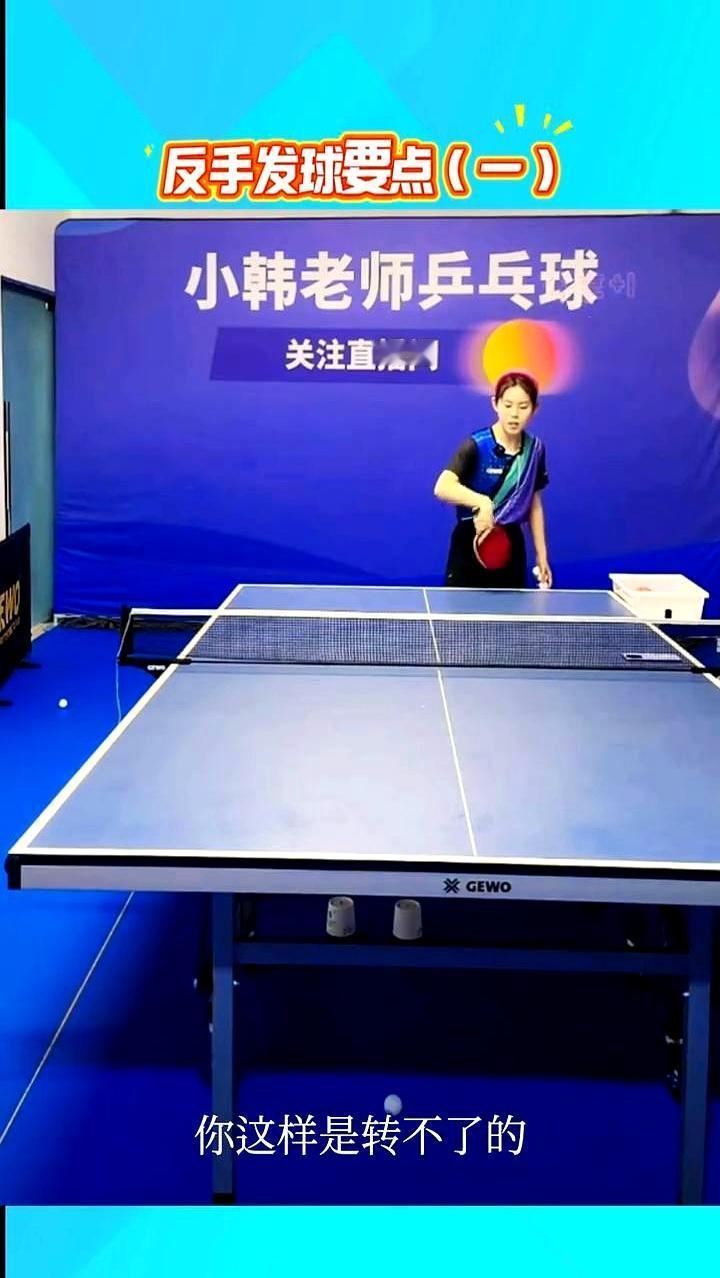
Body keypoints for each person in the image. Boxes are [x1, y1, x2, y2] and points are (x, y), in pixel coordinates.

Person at [433, 370, 552, 589]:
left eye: (523, 407)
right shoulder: (477, 444)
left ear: (535, 409)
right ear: (495, 404)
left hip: (511, 545)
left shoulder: (535, 449)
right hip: (471, 540)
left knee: (510, 610)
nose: (514, 414)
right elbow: (443, 487)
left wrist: (541, 554)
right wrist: (482, 502)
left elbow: (534, 503)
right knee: (459, 610)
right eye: (507, 405)